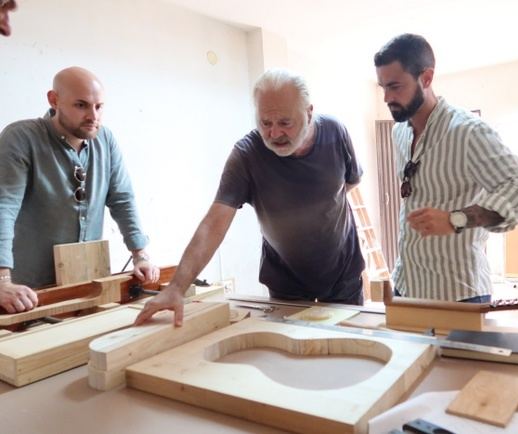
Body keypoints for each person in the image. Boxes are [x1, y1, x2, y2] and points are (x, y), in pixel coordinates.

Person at [135, 69, 365, 326]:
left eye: (285, 123)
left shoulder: (335, 132)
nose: (275, 134)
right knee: (293, 355)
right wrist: (176, 288)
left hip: (343, 274)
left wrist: (318, 208)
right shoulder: (247, 155)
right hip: (286, 281)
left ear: (309, 113)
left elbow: (352, 180)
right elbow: (214, 223)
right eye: (265, 123)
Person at [374, 34, 518, 302]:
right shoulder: (399, 133)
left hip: (458, 295)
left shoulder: (468, 132)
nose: (387, 97)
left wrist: (456, 219)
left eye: (395, 86)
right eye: (383, 87)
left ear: (426, 78)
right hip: (406, 287)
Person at [0, 66, 159, 313]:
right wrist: (2, 281)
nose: (93, 115)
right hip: (29, 292)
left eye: (99, 106)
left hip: (88, 283)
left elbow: (122, 199)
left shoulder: (105, 140)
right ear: (54, 100)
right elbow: (4, 207)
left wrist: (140, 254)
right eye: (81, 105)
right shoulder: (21, 138)